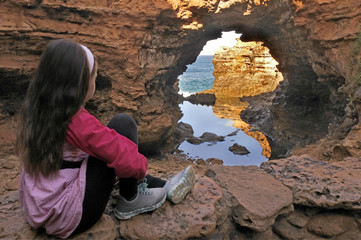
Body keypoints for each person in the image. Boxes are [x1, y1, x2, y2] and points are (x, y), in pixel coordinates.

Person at [16, 39, 196, 239]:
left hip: (41, 207)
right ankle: (131, 199)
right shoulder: (74, 120)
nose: (96, 81)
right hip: (71, 214)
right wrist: (141, 166)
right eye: (95, 77)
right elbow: (117, 151)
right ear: (81, 84)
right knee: (123, 125)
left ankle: (155, 184)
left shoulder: (41, 110)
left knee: (107, 146)